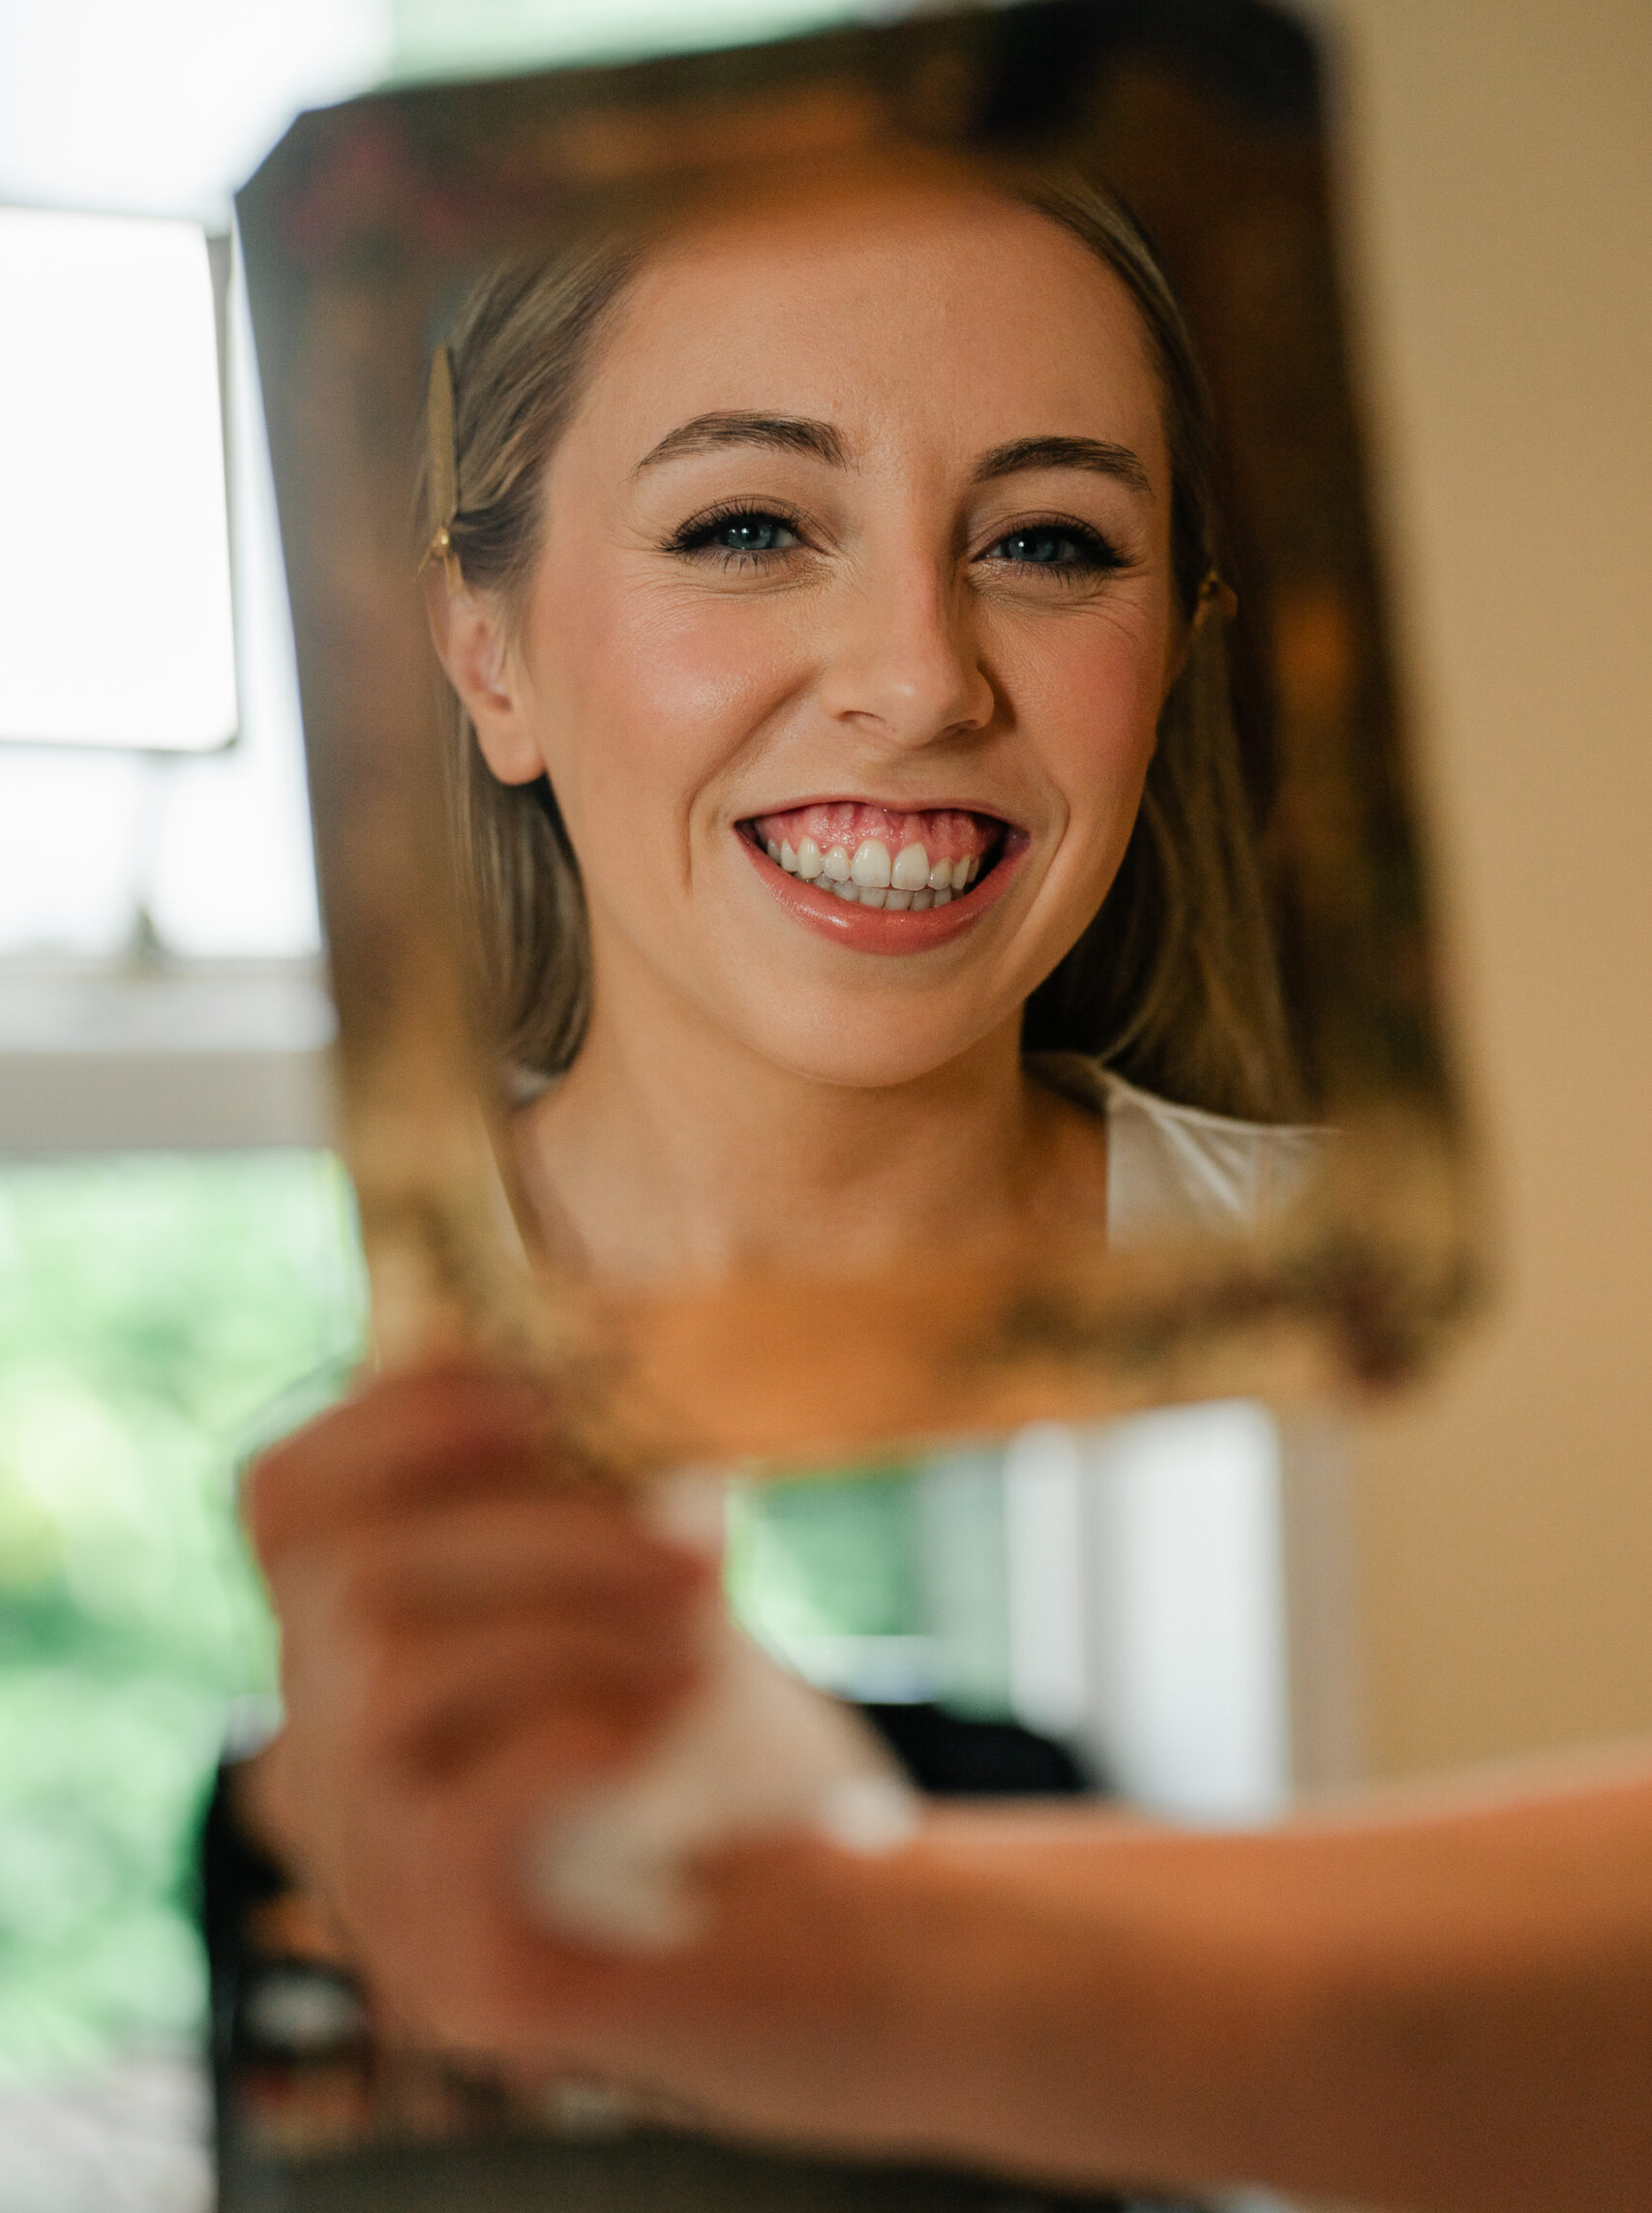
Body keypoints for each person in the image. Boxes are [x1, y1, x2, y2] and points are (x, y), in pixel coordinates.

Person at [228, 164, 1652, 2211]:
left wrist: (855, 1951)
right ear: (486, 653)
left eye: (1049, 543)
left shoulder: (1475, 1320)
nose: (915, 675)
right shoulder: (280, 1365)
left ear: (1169, 656)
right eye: (746, 525)